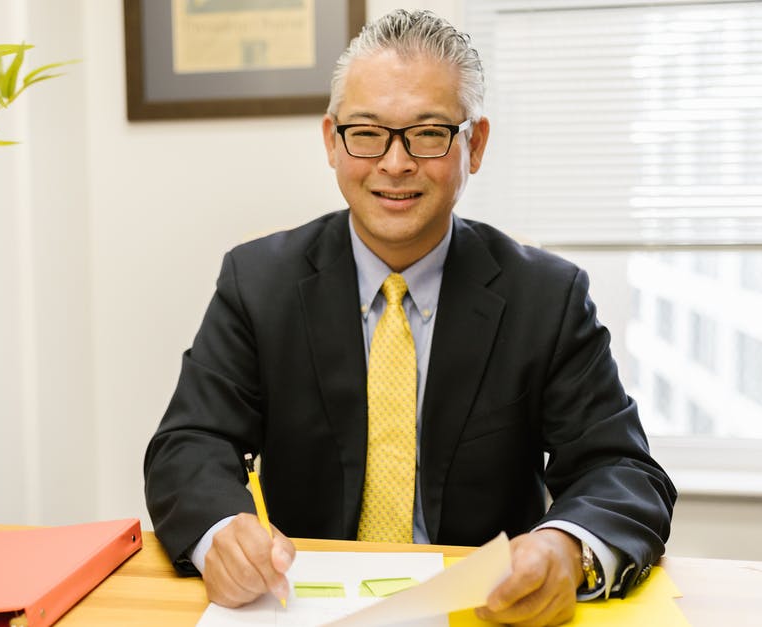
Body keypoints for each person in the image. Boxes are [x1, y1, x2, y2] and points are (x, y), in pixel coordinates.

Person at [143, 9, 675, 627]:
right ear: (331, 141)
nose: (394, 164)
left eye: (427, 134)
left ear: (473, 144)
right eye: (366, 133)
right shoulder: (258, 283)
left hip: (484, 611)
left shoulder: (546, 297)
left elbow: (622, 469)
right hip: (305, 609)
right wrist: (220, 531)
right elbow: (191, 441)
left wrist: (567, 547)